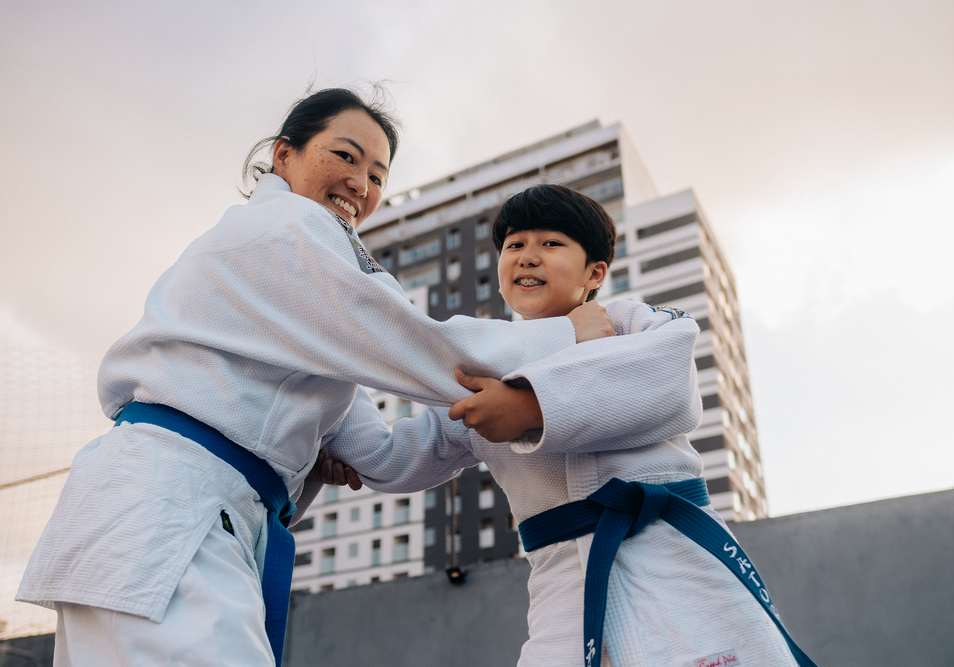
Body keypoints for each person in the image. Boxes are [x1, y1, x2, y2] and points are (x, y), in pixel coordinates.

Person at [16, 89, 622, 667]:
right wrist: (564, 338)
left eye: (379, 175)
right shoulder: (287, 231)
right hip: (168, 509)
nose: (361, 184)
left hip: (158, 513)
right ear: (284, 154)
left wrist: (478, 424)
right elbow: (412, 341)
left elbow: (382, 455)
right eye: (345, 156)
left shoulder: (297, 298)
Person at [313, 185, 812, 667]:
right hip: (560, 585)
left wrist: (529, 408)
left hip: (673, 560)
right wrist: (327, 410)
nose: (527, 256)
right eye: (514, 245)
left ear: (595, 271)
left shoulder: (630, 323)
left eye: (550, 243)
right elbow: (397, 458)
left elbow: (668, 381)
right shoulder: (483, 366)